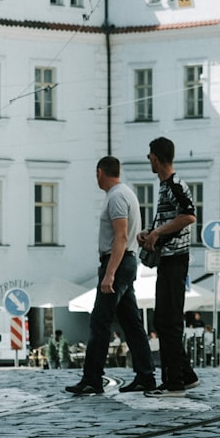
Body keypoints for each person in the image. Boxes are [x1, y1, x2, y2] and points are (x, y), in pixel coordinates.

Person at [66, 156, 156, 395]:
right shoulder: (125, 193)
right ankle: (145, 376)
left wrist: (110, 274)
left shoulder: (116, 197)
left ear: (99, 172)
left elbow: (121, 237)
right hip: (125, 261)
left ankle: (92, 378)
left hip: (117, 261)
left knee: (100, 320)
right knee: (131, 322)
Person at [137, 136, 199, 397]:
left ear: (158, 157)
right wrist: (150, 233)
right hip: (168, 259)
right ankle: (186, 375)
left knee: (168, 320)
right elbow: (170, 220)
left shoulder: (175, 185)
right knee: (164, 319)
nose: (148, 159)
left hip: (175, 259)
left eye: (150, 155)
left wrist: (158, 232)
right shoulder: (165, 187)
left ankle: (174, 382)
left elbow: (188, 215)